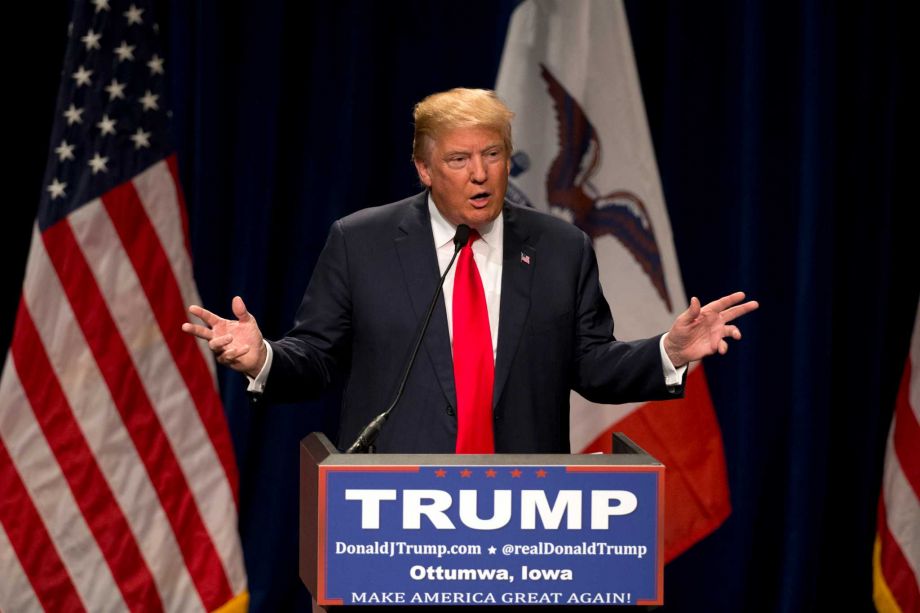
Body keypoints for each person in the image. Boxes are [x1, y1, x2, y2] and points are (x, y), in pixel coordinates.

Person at [182, 88, 758, 454]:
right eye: (459, 160)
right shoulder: (362, 242)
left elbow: (592, 365)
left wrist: (668, 351)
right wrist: (263, 358)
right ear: (424, 168)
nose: (480, 174)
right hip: (397, 509)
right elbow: (319, 358)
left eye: (493, 155)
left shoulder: (561, 248)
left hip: (526, 513)